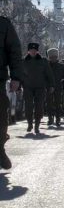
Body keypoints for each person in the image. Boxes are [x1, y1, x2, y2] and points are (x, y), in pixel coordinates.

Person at [0, 14, 23, 170]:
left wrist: (16, 77)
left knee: (1, 114)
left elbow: (14, 51)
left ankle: (0, 148)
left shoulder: (3, 24)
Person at [22, 43, 54, 134]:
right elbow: (20, 74)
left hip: (40, 87)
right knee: (28, 106)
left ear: (37, 51)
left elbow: (49, 74)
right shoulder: (23, 61)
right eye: (31, 50)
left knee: (39, 106)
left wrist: (51, 85)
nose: (33, 52)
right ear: (28, 51)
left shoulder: (43, 61)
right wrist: (19, 87)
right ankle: (29, 123)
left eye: (35, 50)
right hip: (27, 87)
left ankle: (37, 125)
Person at [45, 48, 64, 127]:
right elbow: (44, 77)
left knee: (58, 104)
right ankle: (50, 118)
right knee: (49, 104)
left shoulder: (61, 66)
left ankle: (58, 119)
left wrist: (62, 85)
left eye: (55, 56)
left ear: (57, 57)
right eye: (51, 57)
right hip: (48, 87)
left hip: (58, 87)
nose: (53, 58)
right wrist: (48, 86)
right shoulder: (46, 66)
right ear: (49, 57)